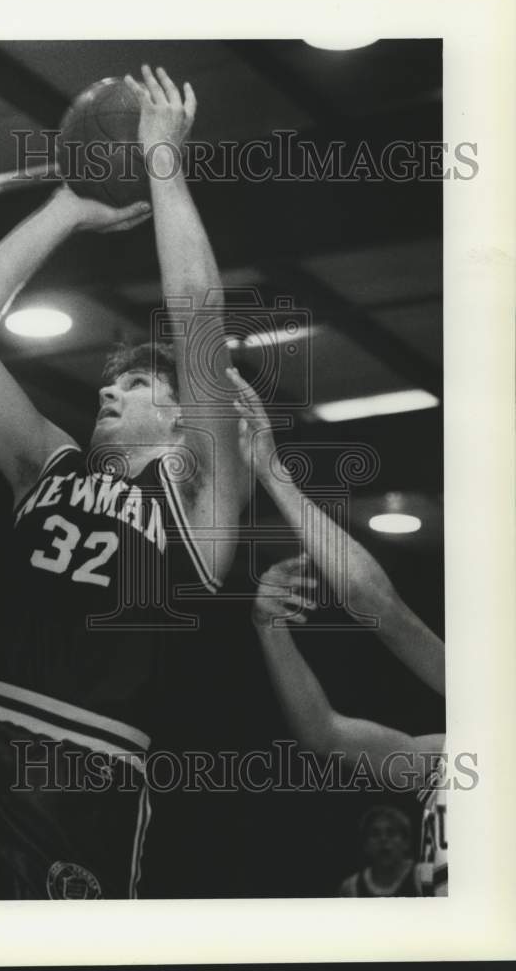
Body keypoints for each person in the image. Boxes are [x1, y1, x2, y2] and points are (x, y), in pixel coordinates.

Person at [0, 65, 245, 900]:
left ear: (185, 417)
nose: (110, 389)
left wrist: (161, 165)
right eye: (109, 383)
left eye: (139, 385)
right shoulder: (46, 462)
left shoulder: (202, 500)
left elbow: (196, 312)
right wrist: (68, 206)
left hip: (85, 776)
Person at [232, 369, 447, 897]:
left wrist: (272, 469)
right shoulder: (447, 756)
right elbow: (323, 734)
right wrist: (271, 626)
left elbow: (379, 608)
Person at [339, 805, 421, 897]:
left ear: (406, 842)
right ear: (366, 845)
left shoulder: (422, 878)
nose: (383, 839)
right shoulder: (351, 887)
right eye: (375, 834)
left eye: (391, 833)